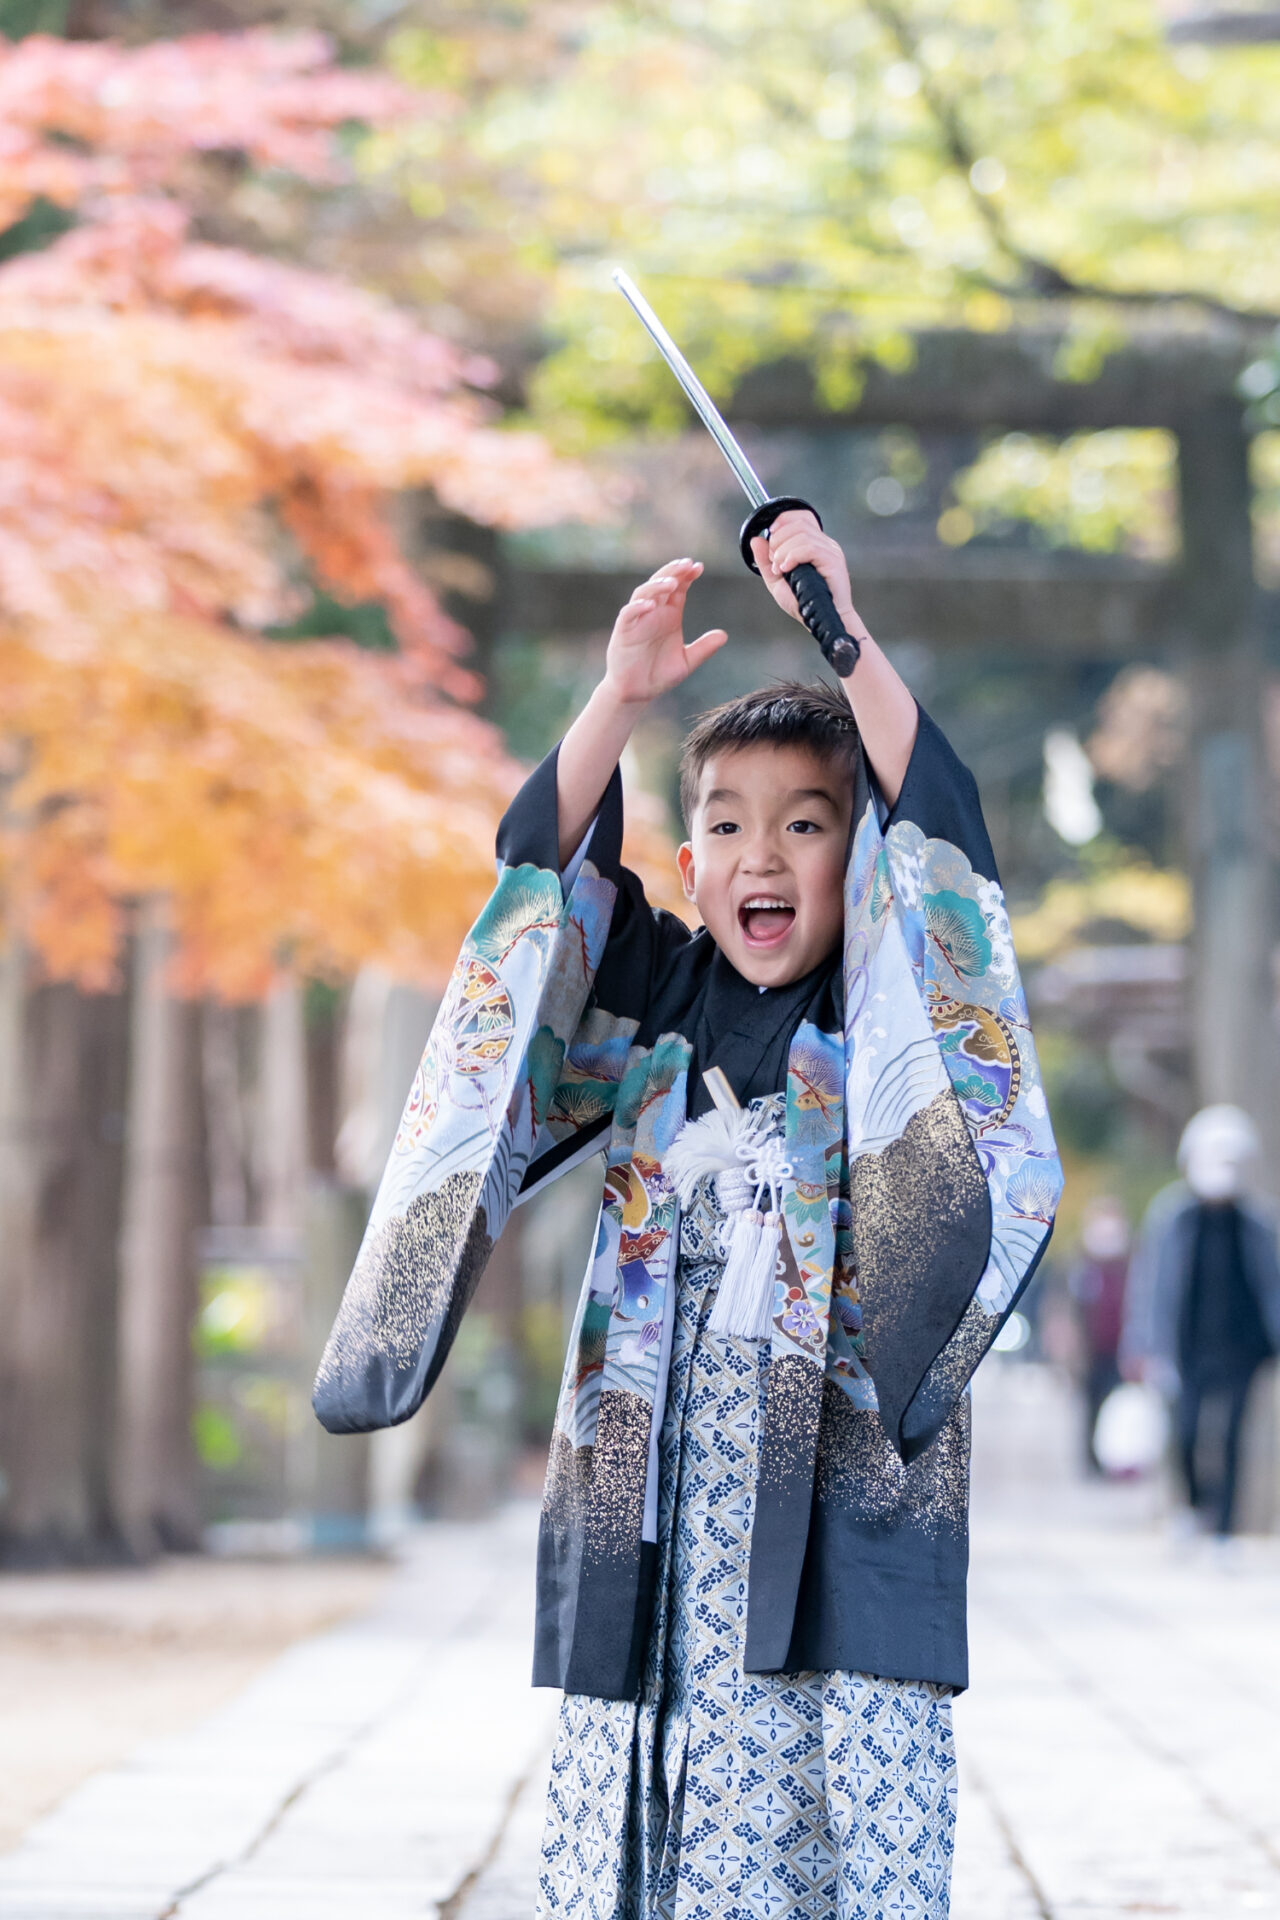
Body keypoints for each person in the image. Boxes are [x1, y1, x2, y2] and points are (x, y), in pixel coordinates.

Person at [314, 513, 1062, 1919]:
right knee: (651, 1791)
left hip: (846, 1471)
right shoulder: (654, 994)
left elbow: (946, 835)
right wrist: (621, 696)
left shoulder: (888, 995)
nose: (758, 858)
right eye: (723, 826)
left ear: (862, 856)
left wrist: (839, 628)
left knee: (851, 1785)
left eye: (804, 824)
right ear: (692, 852)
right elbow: (544, 872)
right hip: (655, 1468)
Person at [1125, 1105, 1280, 1538]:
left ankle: (1226, 1529)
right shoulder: (1172, 1218)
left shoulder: (1256, 1224)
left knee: (1232, 1436)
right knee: (1188, 1431)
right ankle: (1193, 1508)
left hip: (1241, 1349)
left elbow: (1271, 1286)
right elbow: (1151, 1286)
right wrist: (1141, 1345)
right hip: (1187, 1346)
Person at [1068, 1196, 1131, 1473]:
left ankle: (1117, 1457)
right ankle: (1091, 1460)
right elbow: (1070, 1308)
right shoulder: (1082, 1265)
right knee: (1090, 1404)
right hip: (1091, 1348)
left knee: (1116, 1403)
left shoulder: (1130, 1264)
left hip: (1121, 1345)